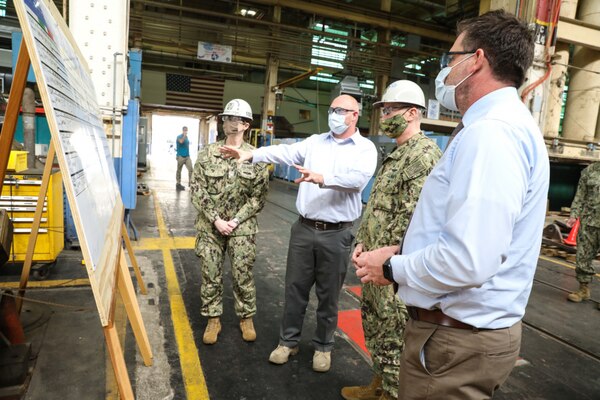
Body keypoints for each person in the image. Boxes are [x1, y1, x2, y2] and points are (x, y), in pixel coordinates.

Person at [354, 10, 549, 399]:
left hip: (454, 344)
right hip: (460, 337)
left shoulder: (491, 134)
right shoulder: (502, 126)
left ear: (475, 60)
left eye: (451, 58)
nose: (445, 71)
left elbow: (469, 258)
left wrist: (394, 267)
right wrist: (405, 251)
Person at [220, 95, 377, 373]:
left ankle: (323, 347)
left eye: (340, 111)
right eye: (331, 109)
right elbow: (282, 152)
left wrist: (321, 178)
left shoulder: (364, 149)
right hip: (304, 229)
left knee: (329, 296)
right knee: (295, 290)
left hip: (336, 234)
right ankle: (287, 342)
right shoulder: (315, 142)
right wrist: (251, 154)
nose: (334, 114)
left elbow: (357, 180)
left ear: (355, 115)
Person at [341, 81, 441, 400]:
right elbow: (378, 206)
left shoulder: (423, 155)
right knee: (376, 328)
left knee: (395, 335)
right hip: (374, 263)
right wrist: (362, 242)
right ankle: (379, 384)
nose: (384, 116)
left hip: (392, 270)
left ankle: (393, 392)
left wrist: (386, 262)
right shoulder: (398, 152)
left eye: (390, 109)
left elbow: (412, 221)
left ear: (412, 113)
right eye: (383, 110)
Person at [190, 99, 270, 345]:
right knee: (210, 273)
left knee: (242, 273)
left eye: (236, 119)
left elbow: (259, 197)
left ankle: (246, 317)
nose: (230, 123)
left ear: (246, 124)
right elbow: (196, 189)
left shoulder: (256, 157)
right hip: (210, 226)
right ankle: (213, 318)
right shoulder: (207, 154)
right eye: (227, 118)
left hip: (241, 228)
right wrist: (216, 220)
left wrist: (234, 220)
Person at [566, 162, 600, 308]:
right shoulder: (590, 171)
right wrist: (574, 214)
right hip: (589, 223)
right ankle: (583, 289)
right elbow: (580, 195)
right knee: (583, 257)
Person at [176, 126, 193, 190]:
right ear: (182, 130)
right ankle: (178, 183)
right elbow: (181, 142)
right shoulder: (179, 137)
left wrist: (188, 155)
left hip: (187, 156)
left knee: (191, 169)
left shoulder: (187, 138)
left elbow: (187, 146)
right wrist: (184, 135)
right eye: (185, 130)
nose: (186, 131)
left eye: (186, 130)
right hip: (180, 156)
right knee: (179, 170)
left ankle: (191, 183)